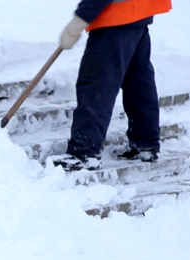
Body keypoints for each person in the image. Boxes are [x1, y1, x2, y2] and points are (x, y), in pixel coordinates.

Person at [52, 0, 172, 171]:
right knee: (138, 81)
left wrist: (80, 19)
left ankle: (85, 152)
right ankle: (145, 144)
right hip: (141, 10)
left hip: (116, 16)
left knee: (96, 84)